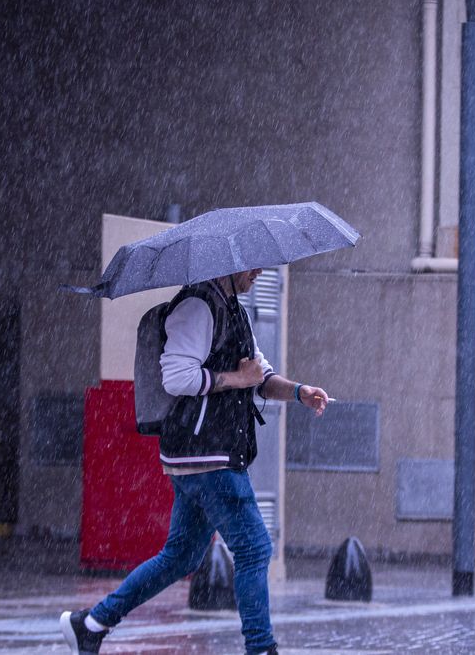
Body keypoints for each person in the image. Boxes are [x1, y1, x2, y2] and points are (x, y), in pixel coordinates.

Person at [61, 268, 329, 655]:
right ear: (230, 264)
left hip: (206, 456)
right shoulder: (196, 306)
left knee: (180, 556)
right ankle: (261, 648)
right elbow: (176, 378)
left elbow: (259, 374)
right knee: (254, 549)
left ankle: (90, 624)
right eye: (252, 265)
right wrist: (237, 379)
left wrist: (299, 392)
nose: (258, 273)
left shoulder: (234, 309)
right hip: (208, 456)